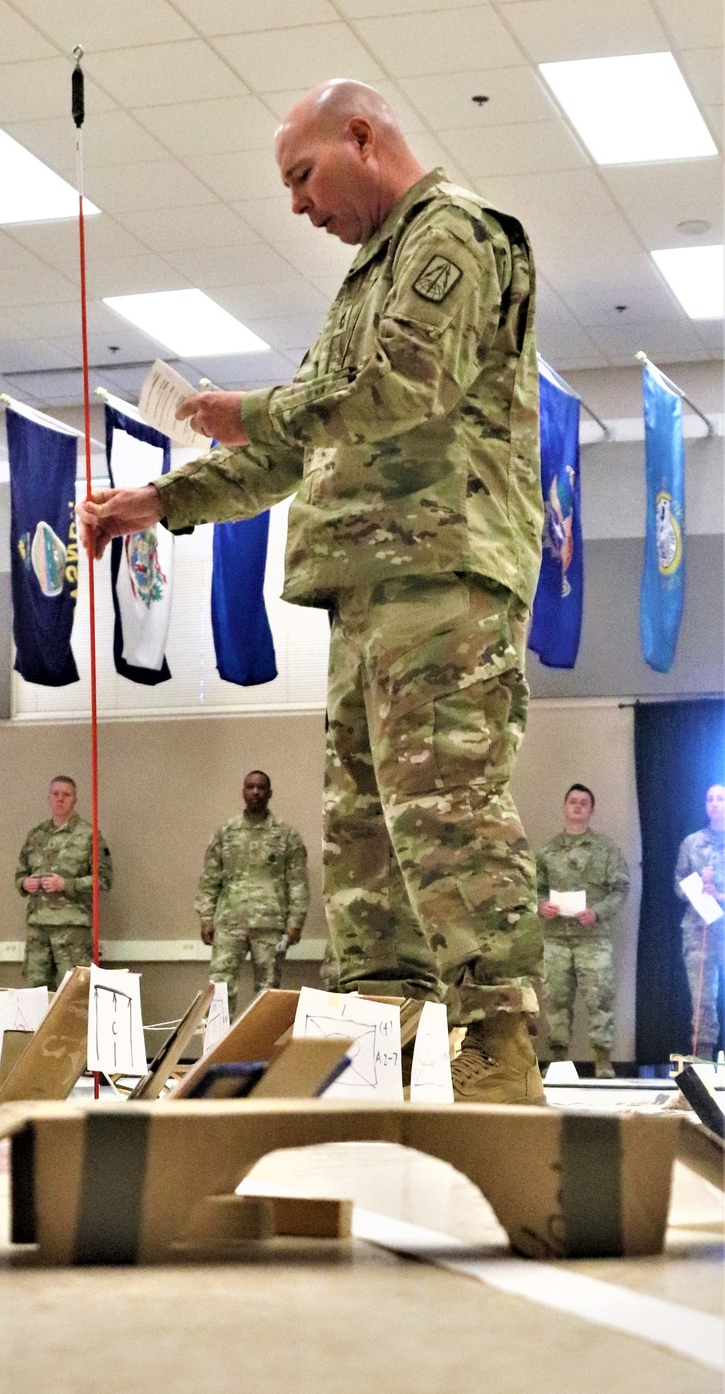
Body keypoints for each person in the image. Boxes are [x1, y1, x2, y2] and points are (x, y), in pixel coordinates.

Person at [79, 79, 545, 1102]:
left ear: (364, 137)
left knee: (447, 822)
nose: (297, 205)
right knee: (364, 844)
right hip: (364, 594)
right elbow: (293, 449)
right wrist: (155, 500)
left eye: (302, 175)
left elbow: (398, 385)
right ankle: (381, 1053)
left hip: (440, 581)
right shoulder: (362, 284)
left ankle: (498, 1059)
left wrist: (251, 409)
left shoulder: (454, 235)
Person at [196, 770, 309, 1016]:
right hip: (229, 922)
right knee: (219, 990)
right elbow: (210, 878)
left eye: (260, 788)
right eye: (250, 787)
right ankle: (216, 1049)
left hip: (270, 923)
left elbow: (298, 882)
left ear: (270, 793)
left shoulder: (286, 835)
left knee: (267, 994)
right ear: (243, 792)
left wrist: (295, 923)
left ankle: (260, 1052)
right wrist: (206, 918)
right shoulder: (226, 832)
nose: (255, 792)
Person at [535, 785, 630, 1078]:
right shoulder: (547, 851)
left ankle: (602, 1062)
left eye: (584, 803)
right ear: (564, 808)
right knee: (556, 1002)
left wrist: (597, 912)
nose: (577, 807)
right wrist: (541, 906)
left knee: (600, 1000)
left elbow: (621, 888)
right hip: (556, 938)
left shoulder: (606, 849)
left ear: (591, 810)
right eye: (573, 802)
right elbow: (533, 889)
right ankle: (559, 1061)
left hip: (593, 939)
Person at [16, 776, 112, 990]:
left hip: (71, 929)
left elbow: (103, 881)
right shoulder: (36, 835)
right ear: (48, 798)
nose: (60, 799)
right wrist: (25, 883)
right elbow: (20, 873)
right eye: (55, 794)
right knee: (35, 992)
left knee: (77, 991)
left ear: (75, 800)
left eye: (66, 795)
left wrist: (66, 884)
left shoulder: (89, 836)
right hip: (38, 927)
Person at [674, 783, 725, 1060]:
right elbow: (678, 884)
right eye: (710, 799)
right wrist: (698, 891)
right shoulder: (692, 843)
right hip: (698, 929)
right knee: (702, 998)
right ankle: (704, 1056)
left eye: (720, 799)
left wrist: (720, 894)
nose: (715, 803)